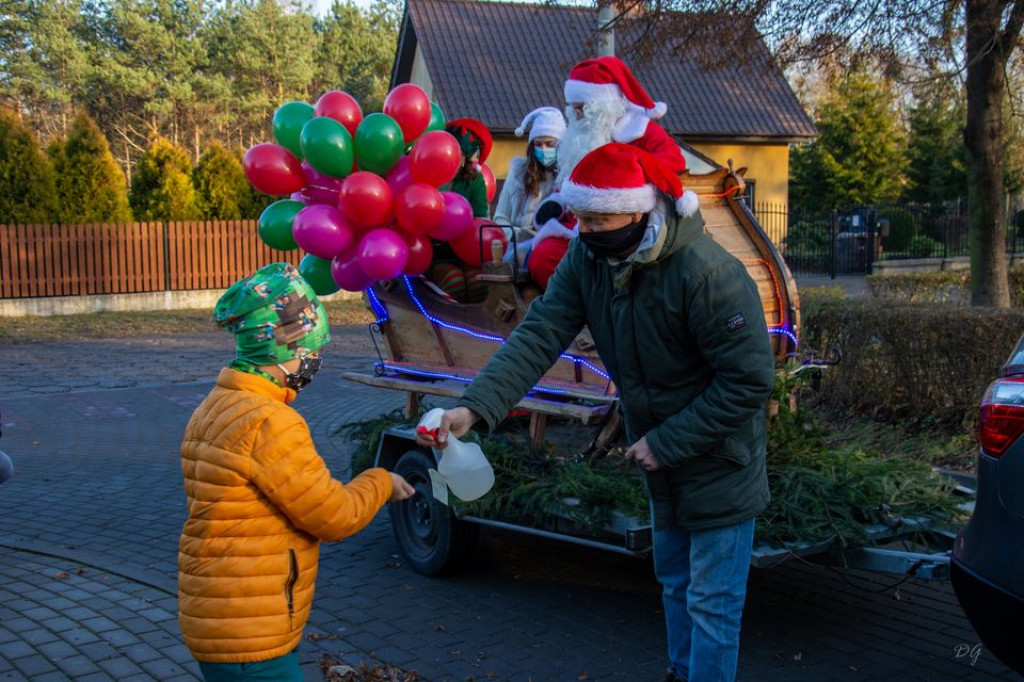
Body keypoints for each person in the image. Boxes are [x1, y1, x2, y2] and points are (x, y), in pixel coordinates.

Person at [415, 144, 775, 682]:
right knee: (675, 583)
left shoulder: (708, 275)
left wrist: (666, 443)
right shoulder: (591, 260)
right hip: (663, 462)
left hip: (720, 460)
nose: (583, 232)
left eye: (597, 220)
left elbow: (748, 381)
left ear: (638, 212)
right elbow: (539, 334)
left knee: (712, 603)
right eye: (579, 218)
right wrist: (474, 408)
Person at [177, 262, 415, 681]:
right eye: (313, 351)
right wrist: (382, 481)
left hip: (221, 612)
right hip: (252, 628)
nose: (315, 361)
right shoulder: (271, 422)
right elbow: (334, 516)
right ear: (287, 350)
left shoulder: (216, 405)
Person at [527, 55, 688, 289]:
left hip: (626, 225)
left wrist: (628, 172)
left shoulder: (640, 131)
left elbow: (674, 161)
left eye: (581, 108)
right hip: (581, 222)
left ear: (603, 104)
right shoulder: (581, 136)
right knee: (542, 258)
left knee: (574, 264)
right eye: (573, 108)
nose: (575, 115)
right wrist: (558, 202)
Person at [493, 106, 566, 262]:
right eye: (538, 144)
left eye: (549, 144)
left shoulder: (566, 177)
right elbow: (500, 216)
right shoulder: (517, 173)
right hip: (513, 248)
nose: (543, 149)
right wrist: (513, 236)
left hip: (548, 249)